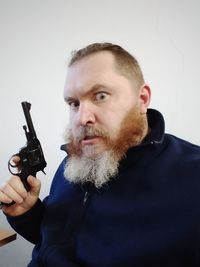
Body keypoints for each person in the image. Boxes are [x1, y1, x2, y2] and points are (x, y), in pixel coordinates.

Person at [1, 42, 200, 267]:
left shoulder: (193, 177)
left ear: (142, 99)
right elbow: (56, 240)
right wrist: (27, 212)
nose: (82, 118)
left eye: (100, 96)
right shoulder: (76, 160)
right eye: (74, 103)